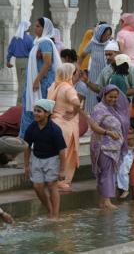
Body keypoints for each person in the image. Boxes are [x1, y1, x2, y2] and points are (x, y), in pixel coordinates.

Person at [85, 84, 130, 210]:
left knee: (108, 173)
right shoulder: (99, 109)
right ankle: (107, 201)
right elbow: (93, 126)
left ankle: (103, 201)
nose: (113, 100)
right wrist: (107, 132)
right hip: (103, 147)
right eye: (110, 97)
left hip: (114, 148)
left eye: (115, 97)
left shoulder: (114, 109)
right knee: (107, 173)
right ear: (104, 95)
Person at [19, 17, 62, 139]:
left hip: (42, 81)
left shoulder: (45, 42)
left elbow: (47, 63)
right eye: (35, 25)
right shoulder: (38, 42)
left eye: (38, 26)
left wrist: (37, 80)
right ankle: (28, 136)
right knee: (31, 105)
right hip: (36, 80)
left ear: (45, 28)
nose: (35, 28)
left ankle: (34, 136)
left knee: (38, 107)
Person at [24, 99, 66, 219]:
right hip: (37, 158)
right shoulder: (32, 127)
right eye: (35, 111)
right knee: (37, 187)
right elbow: (26, 146)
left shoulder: (55, 130)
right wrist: (26, 165)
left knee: (52, 185)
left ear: (47, 113)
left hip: (52, 159)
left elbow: (62, 151)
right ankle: (50, 209)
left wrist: (62, 170)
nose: (36, 113)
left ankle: (55, 215)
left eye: (39, 111)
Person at [47, 63, 81, 191]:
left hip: (54, 123)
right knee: (67, 154)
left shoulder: (53, 86)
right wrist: (75, 112)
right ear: (71, 74)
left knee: (55, 154)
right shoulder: (68, 88)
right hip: (66, 127)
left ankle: (52, 179)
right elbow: (76, 102)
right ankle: (61, 182)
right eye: (75, 72)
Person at [78, 23, 112, 113]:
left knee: (104, 94)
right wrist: (78, 68)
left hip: (106, 75)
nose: (108, 37)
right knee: (92, 95)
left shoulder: (110, 44)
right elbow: (82, 56)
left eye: (109, 34)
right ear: (100, 34)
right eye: (106, 34)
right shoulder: (92, 43)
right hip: (94, 75)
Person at [6, 20, 34, 104]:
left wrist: (8, 61)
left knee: (20, 81)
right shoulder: (29, 38)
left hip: (17, 61)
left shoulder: (15, 38)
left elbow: (10, 50)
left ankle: (20, 100)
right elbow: (32, 51)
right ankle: (21, 101)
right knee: (24, 81)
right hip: (26, 61)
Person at [117, 13, 134, 86]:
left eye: (121, 21)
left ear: (124, 22)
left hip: (127, 67)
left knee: (126, 93)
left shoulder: (121, 34)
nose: (120, 23)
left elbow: (120, 51)